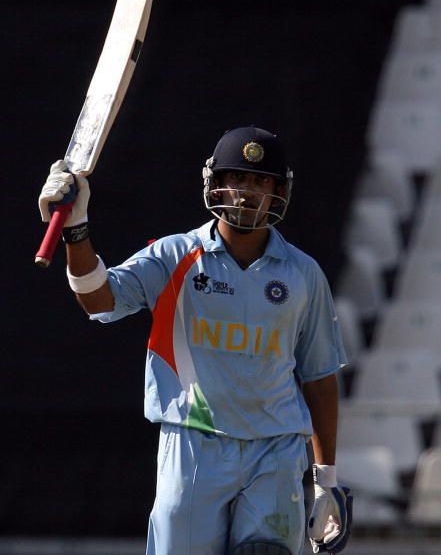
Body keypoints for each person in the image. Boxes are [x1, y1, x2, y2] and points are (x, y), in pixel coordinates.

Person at [39, 126, 352, 555]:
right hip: (193, 442)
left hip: (275, 450)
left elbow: (319, 377)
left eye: (260, 182)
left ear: (279, 190)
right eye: (237, 178)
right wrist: (77, 228)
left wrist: (326, 482)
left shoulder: (303, 274)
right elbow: (98, 299)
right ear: (215, 184)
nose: (246, 192)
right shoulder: (174, 256)